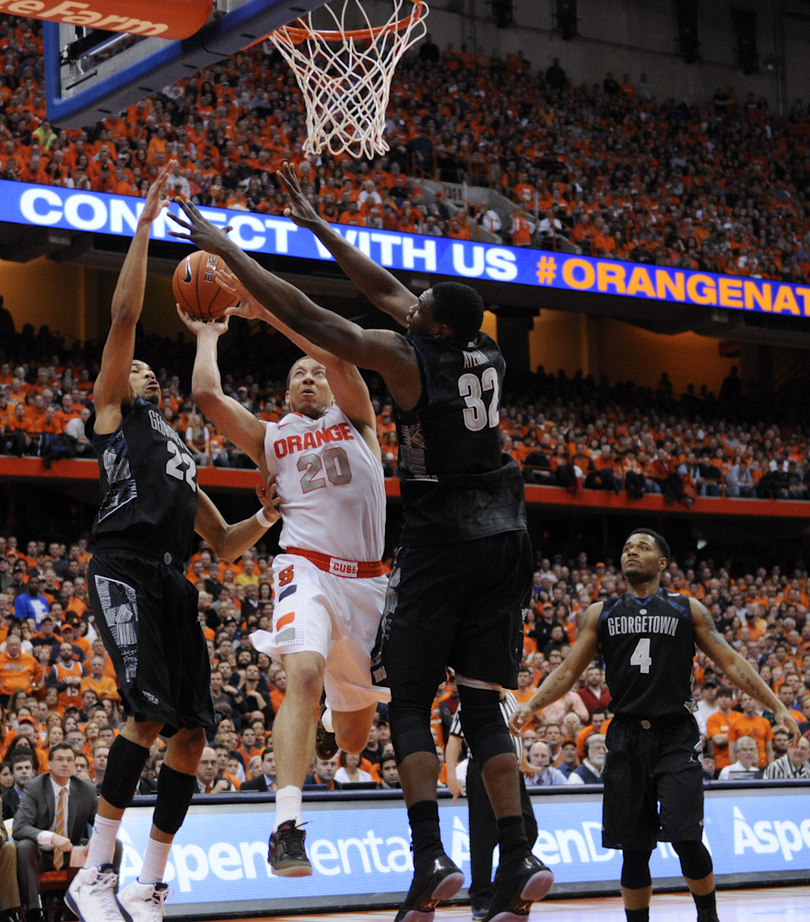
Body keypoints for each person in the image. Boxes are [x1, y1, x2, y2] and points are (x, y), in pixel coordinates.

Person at [168, 163, 553, 922]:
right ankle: (517, 854)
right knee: (479, 705)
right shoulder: (483, 352)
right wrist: (319, 229)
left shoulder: (398, 374)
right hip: (505, 531)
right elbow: (387, 294)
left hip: (435, 541)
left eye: (418, 315)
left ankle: (431, 859)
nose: (407, 315)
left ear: (432, 328)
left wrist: (231, 253)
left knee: (403, 700)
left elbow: (326, 325)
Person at [65, 162, 281, 922]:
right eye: (140, 369)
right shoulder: (114, 416)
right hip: (122, 567)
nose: (147, 371)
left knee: (191, 734)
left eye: (157, 370)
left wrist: (268, 515)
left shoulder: (181, 451)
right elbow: (124, 319)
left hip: (174, 580)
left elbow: (222, 543)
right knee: (147, 715)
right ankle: (93, 874)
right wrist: (145, 227)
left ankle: (147, 882)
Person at [178, 270, 389, 878]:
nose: (308, 376)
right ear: (285, 391)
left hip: (369, 583)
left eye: (315, 370)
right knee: (302, 672)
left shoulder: (358, 422)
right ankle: (286, 828)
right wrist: (210, 333)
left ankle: (328, 723)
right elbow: (209, 399)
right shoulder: (271, 439)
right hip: (304, 569)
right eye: (297, 373)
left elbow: (336, 351)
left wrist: (265, 311)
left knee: (352, 739)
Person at [510, 528, 800, 922]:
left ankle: (708, 916)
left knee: (686, 839)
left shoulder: (687, 608)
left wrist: (777, 706)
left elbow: (731, 662)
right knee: (634, 850)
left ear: (662, 563)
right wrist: (532, 705)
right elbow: (567, 670)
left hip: (675, 735)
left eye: (642, 547)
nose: (631, 552)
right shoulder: (601, 612)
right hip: (626, 735)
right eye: (627, 547)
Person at [445, 690, 538, 921]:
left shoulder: (513, 698)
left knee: (529, 828)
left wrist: (523, 761)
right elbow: (455, 738)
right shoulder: (472, 699)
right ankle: (481, 899)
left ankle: (503, 883)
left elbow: (515, 734)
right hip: (482, 767)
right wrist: (451, 776)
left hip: (511, 769)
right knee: (483, 836)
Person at [13, 743, 121, 922]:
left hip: (71, 856)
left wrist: (98, 837)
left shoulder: (87, 789)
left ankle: (107, 904)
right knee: (24, 845)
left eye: (69, 760)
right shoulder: (35, 787)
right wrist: (52, 837)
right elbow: (19, 827)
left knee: (114, 843)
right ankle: (34, 911)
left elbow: (102, 824)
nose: (65, 764)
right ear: (48, 765)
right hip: (40, 856)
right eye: (60, 759)